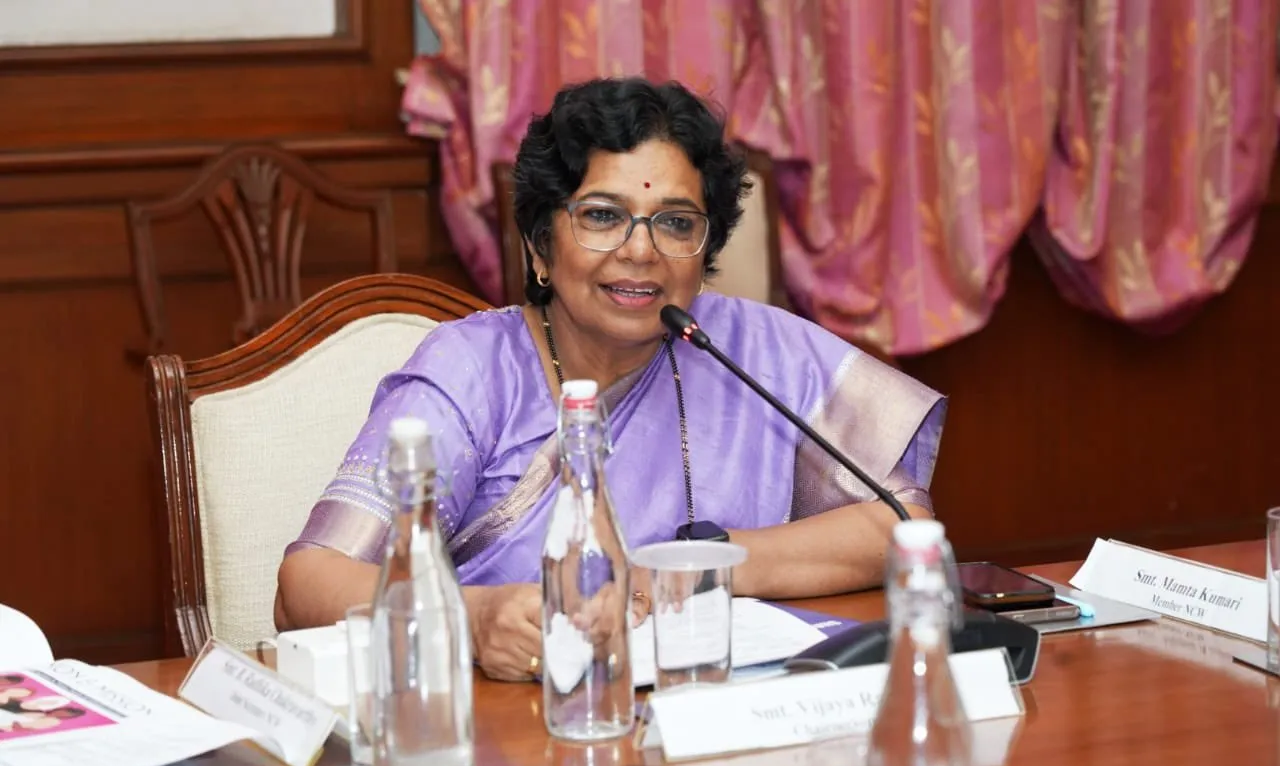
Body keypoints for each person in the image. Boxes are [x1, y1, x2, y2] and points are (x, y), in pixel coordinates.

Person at [275, 77, 946, 682]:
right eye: (602, 215)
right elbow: (307, 584)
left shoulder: (749, 349)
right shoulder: (472, 372)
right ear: (541, 246)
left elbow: (902, 525)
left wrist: (697, 567)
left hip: (716, 730)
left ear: (704, 251)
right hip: (514, 739)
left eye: (676, 223)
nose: (640, 250)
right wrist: (472, 619)